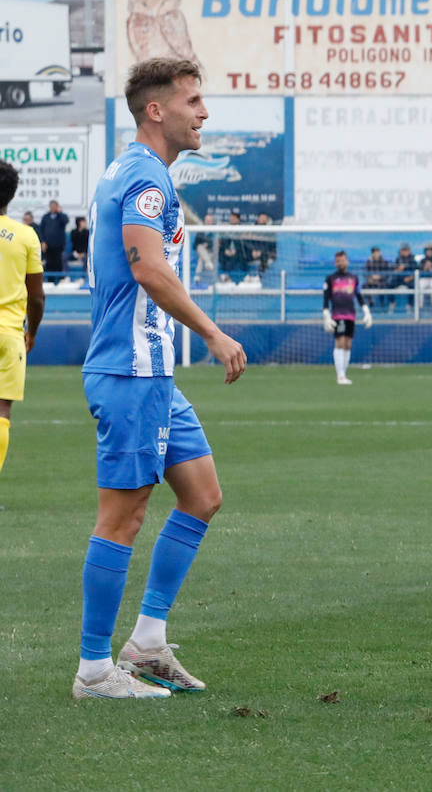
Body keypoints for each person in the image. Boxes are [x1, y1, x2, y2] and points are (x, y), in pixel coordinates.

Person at [75, 56, 247, 701]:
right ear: (157, 110)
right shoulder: (147, 179)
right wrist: (211, 331)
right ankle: (94, 670)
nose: (203, 113)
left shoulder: (133, 170)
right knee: (121, 517)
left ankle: (147, 644)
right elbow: (147, 267)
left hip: (152, 373)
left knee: (202, 495)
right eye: (193, 101)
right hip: (130, 368)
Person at [0, 160, 45, 478]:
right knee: (2, 411)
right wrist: (33, 332)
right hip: (9, 334)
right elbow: (37, 296)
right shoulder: (26, 235)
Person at [322, 250, 372, 384]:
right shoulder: (330, 279)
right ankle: (340, 375)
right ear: (335, 262)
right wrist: (326, 315)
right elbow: (326, 298)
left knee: (348, 344)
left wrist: (366, 311)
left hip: (351, 315)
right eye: (338, 260)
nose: (341, 262)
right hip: (338, 315)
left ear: (347, 261)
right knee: (340, 342)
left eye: (342, 260)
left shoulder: (353, 278)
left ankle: (344, 373)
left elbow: (359, 296)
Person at [38, 200, 69, 276]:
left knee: (58, 264)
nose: (53, 208)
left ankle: (58, 279)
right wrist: (42, 242)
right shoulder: (45, 217)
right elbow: (41, 230)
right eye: (51, 206)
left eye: (54, 206)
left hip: (58, 246)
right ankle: (50, 280)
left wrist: (60, 213)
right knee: (49, 264)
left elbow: (66, 221)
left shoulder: (61, 217)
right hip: (48, 246)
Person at [363, 246, 391, 310]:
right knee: (364, 286)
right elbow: (366, 273)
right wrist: (371, 278)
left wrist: (380, 277)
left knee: (384, 286)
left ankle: (382, 303)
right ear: (372, 253)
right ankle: (370, 302)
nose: (376, 254)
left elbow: (387, 274)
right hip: (372, 281)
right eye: (374, 252)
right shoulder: (369, 262)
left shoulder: (384, 262)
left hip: (382, 281)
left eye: (377, 252)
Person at [392, 243, 418, 312]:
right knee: (389, 284)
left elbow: (416, 272)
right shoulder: (398, 260)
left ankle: (410, 305)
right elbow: (394, 272)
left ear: (409, 251)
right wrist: (398, 270)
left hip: (409, 280)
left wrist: (410, 278)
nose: (404, 252)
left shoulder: (413, 261)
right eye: (403, 250)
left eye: (406, 250)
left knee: (414, 286)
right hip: (399, 280)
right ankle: (392, 303)